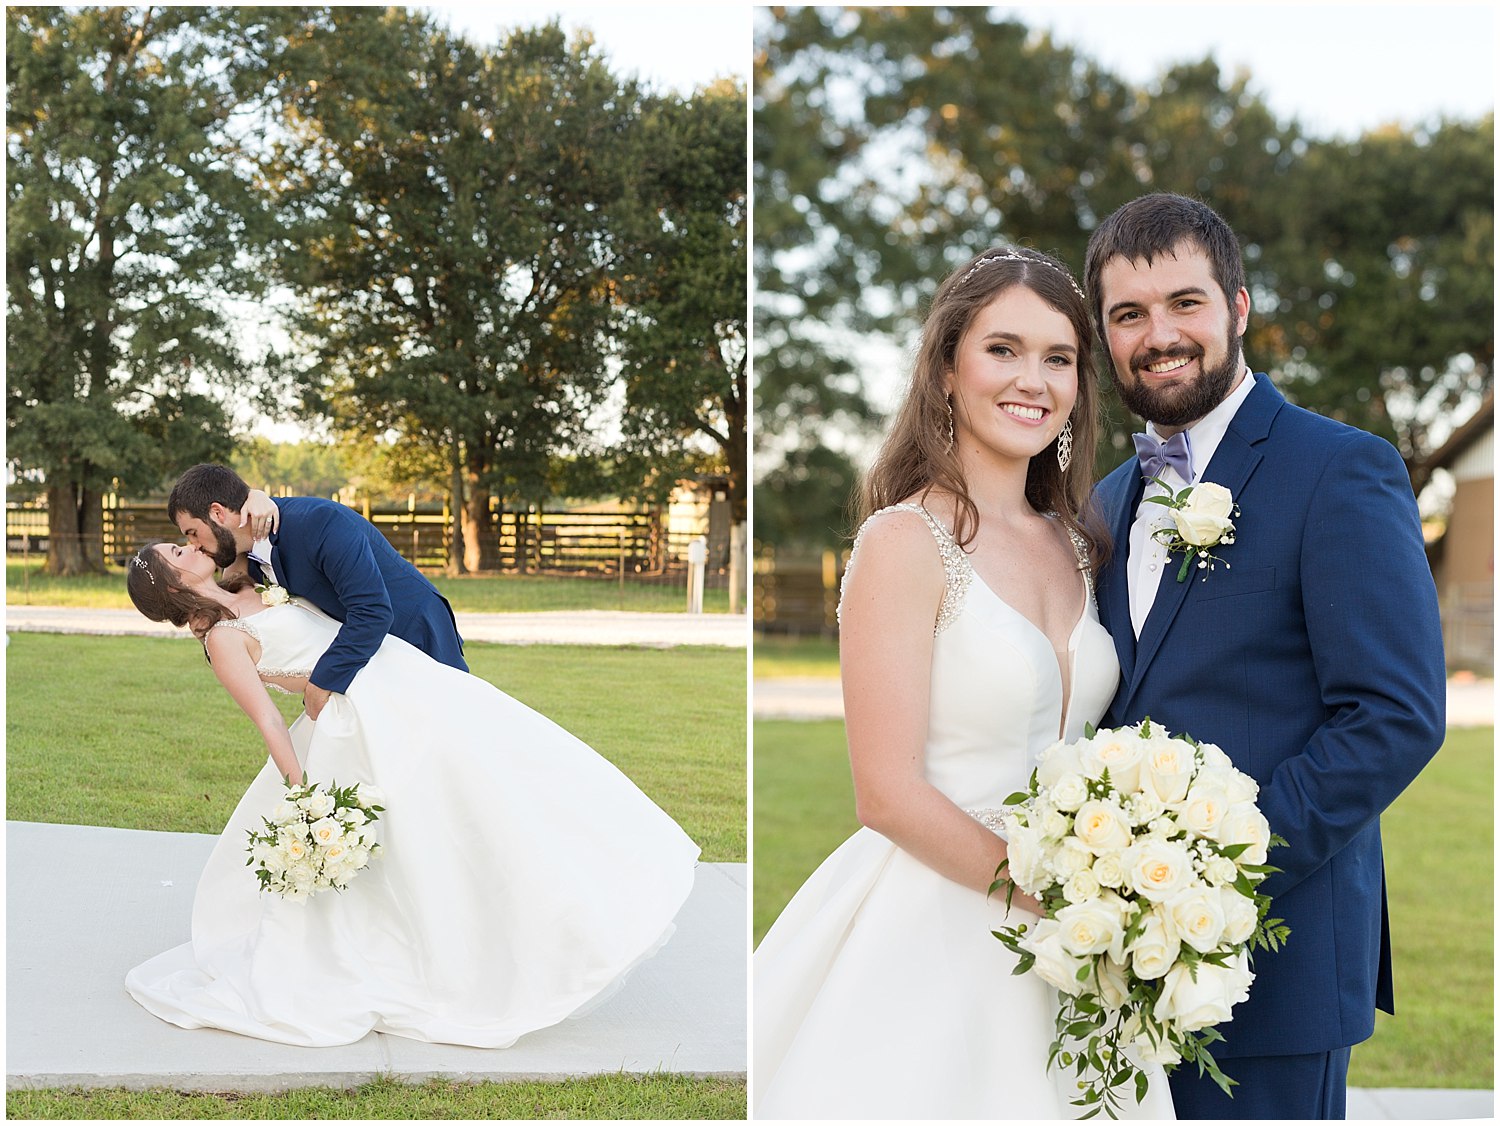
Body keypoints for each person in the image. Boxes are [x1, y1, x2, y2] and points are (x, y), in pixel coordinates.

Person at [753, 247, 1175, 1118]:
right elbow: (887, 792)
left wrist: (1117, 887)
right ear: (947, 369)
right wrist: (1058, 898)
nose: (1034, 380)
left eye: (1059, 358)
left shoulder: (1077, 540)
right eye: (1003, 350)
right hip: (944, 916)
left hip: (1080, 940)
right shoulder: (904, 543)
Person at [1085, 192, 1446, 1119]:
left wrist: (1212, 873)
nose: (1159, 334)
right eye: (1129, 314)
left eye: (1185, 303)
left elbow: (1394, 715)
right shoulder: (1106, 499)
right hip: (1112, 978)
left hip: (1277, 967)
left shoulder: (1340, 468)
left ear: (1239, 307)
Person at [123, 538, 700, 1047]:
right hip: (363, 724)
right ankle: (452, 958)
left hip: (407, 681)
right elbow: (269, 719)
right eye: (177, 552)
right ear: (172, 586)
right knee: (430, 832)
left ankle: (579, 910)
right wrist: (301, 796)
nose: (189, 547)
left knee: (512, 779)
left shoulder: (258, 585)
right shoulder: (224, 639)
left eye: (184, 541)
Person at [167, 463, 467, 721]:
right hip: (366, 655)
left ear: (217, 513)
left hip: (414, 631)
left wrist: (322, 682)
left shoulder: (319, 523)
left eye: (192, 532)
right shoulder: (247, 557)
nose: (193, 545)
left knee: (450, 738)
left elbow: (373, 611)